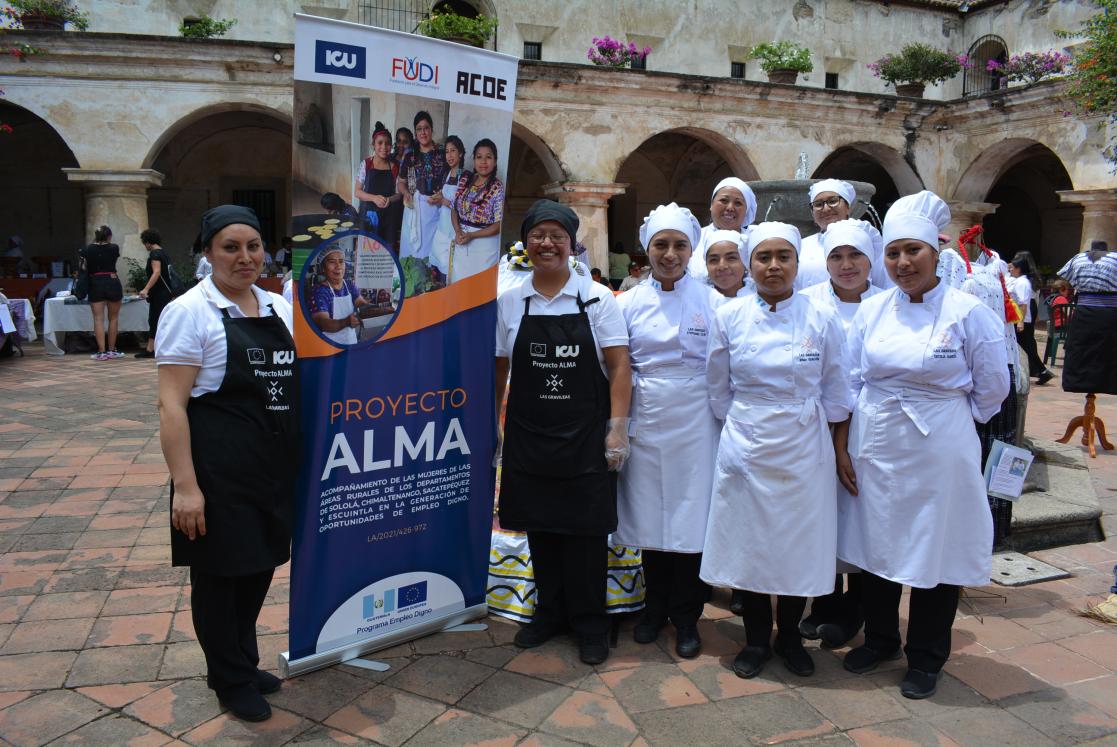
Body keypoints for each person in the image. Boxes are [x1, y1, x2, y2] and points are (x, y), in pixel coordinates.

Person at [835, 191, 1009, 700]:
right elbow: (849, 382)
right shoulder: (871, 311)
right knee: (877, 544)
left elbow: (992, 387)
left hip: (940, 447)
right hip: (876, 439)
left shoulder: (968, 312)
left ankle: (928, 656)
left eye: (912, 251)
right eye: (893, 253)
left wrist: (951, 419)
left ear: (936, 250)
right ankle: (882, 639)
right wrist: (843, 447)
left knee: (935, 548)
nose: (902, 263)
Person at [156, 205, 298, 722]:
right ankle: (228, 679)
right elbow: (171, 404)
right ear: (208, 253)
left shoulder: (279, 307)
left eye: (253, 246)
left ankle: (242, 660)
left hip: (270, 469)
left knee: (258, 569)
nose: (245, 258)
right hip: (217, 473)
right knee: (220, 579)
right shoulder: (189, 311)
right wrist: (186, 488)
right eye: (230, 248)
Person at [701, 221, 850, 680]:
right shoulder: (729, 317)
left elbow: (837, 388)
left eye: (783, 256)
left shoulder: (822, 316)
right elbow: (717, 386)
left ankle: (789, 636)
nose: (773, 266)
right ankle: (755, 640)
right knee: (751, 545)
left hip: (804, 444)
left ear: (796, 263)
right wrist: (749, 418)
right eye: (763, 257)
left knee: (796, 545)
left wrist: (816, 432)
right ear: (750, 265)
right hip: (746, 439)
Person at [496, 199, 632, 665]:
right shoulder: (510, 300)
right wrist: (493, 427)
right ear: (526, 243)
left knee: (586, 536)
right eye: (538, 234)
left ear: (572, 244)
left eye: (557, 235)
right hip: (530, 433)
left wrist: (617, 429)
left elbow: (618, 369)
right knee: (540, 528)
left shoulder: (596, 298)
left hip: (585, 437)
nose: (546, 243)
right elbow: (499, 369)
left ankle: (590, 623)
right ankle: (548, 613)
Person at [615, 203, 721, 659]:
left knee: (689, 519)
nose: (670, 254)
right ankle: (652, 607)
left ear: (691, 249)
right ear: (648, 249)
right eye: (661, 245)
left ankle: (687, 616)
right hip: (647, 414)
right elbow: (616, 366)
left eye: (679, 245)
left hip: (698, 419)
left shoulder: (714, 301)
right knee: (649, 517)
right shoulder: (628, 301)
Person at [796, 219, 885, 647]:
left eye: (855, 256)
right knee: (823, 517)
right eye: (836, 256)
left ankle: (859, 607)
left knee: (863, 517)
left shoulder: (889, 304)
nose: (846, 265)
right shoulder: (807, 302)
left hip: (871, 426)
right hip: (818, 425)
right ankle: (826, 605)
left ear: (872, 261)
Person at [1058, 240, 1117, 395]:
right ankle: (1108, 385)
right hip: (1109, 314)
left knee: (1080, 349)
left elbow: (1067, 279)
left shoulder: (1077, 259)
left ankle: (1078, 383)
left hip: (1083, 312)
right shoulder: (1115, 259)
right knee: (1108, 350)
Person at [450, 138, 504, 284]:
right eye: (479, 157)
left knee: (479, 289)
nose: (483, 162)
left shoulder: (497, 187)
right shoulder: (465, 180)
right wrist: (457, 231)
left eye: (488, 157)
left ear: (495, 160)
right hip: (462, 241)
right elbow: (454, 209)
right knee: (459, 287)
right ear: (474, 160)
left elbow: (498, 225)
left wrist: (472, 235)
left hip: (484, 249)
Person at [398, 111, 446, 269]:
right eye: (419, 129)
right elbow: (401, 182)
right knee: (411, 253)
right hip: (414, 209)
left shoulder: (442, 152)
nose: (423, 132)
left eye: (426, 128)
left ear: (432, 130)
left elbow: (454, 178)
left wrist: (442, 195)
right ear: (415, 132)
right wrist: (406, 193)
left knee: (432, 254)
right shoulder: (410, 155)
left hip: (436, 210)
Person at [687, 177, 757, 285]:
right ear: (711, 204)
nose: (730, 208)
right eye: (724, 200)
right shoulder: (694, 238)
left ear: (746, 210)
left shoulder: (756, 240)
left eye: (738, 203)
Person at [1007, 251, 1054, 384]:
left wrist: (1021, 321)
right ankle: (1039, 370)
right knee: (1026, 345)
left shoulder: (1023, 282)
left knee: (1027, 345)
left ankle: (1041, 370)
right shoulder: (1021, 280)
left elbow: (1023, 303)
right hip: (1021, 316)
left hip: (1021, 317)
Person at [354, 123, 404, 248]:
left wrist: (389, 199)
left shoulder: (395, 166)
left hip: (389, 218)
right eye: (380, 143)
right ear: (373, 145)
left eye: (387, 143)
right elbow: (358, 192)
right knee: (368, 250)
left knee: (387, 253)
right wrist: (374, 198)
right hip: (368, 216)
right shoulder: (366, 164)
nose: (384, 147)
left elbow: (399, 194)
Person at [80, 225, 124, 360]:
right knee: (114, 318)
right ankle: (111, 350)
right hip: (112, 280)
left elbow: (83, 267)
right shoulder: (114, 248)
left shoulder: (87, 249)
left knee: (98, 319)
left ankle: (101, 351)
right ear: (109, 236)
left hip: (96, 282)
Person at [309, 248, 369, 346]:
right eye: (332, 262)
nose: (338, 266)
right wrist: (346, 322)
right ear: (323, 268)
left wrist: (375, 308)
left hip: (351, 343)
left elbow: (360, 303)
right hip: (329, 348)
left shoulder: (349, 285)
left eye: (341, 262)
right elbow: (322, 323)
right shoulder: (319, 291)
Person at [430, 135, 467, 286]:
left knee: (450, 273)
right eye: (447, 151)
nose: (449, 155)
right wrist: (436, 199)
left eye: (453, 151)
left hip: (454, 231)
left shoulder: (465, 176)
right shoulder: (445, 175)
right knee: (436, 272)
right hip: (441, 230)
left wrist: (443, 201)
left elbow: (464, 207)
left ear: (461, 153)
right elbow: (443, 202)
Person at [135, 228, 173, 359]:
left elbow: (156, 272)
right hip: (165, 292)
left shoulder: (155, 254)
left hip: (159, 293)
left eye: (144, 243)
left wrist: (145, 289)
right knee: (158, 320)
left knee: (155, 319)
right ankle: (151, 348)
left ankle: (152, 349)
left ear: (148, 242)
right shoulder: (164, 253)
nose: (145, 246)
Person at [704, 229, 749, 298]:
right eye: (714, 260)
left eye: (731, 258)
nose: (722, 266)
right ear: (706, 265)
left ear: (745, 262)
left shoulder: (762, 300)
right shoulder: (696, 301)